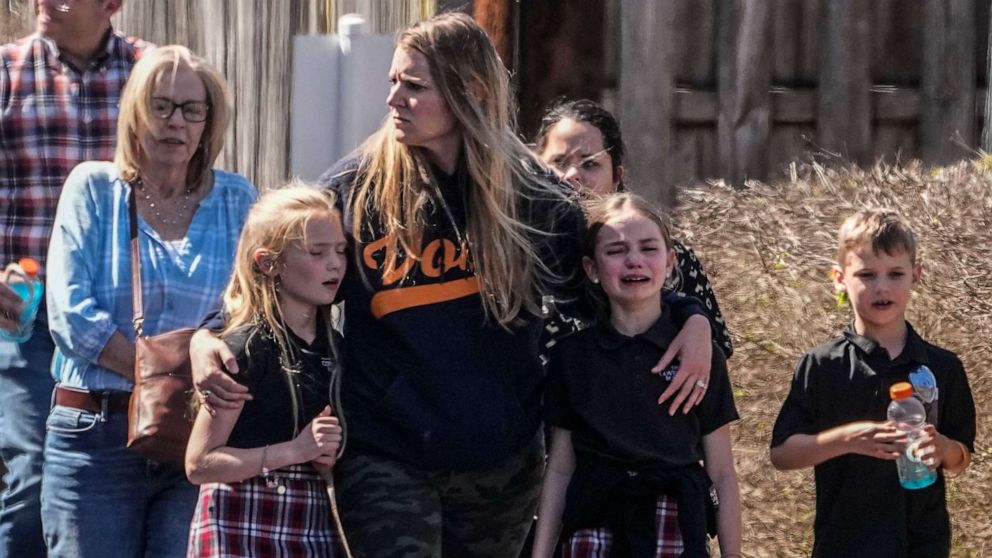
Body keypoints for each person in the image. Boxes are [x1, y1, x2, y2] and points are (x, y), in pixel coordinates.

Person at [191, 13, 713, 557]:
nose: (394, 99)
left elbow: (620, 278)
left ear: (471, 92)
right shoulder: (357, 189)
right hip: (384, 452)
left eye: (414, 86)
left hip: (501, 461)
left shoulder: (536, 201)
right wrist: (206, 337)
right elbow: (273, 275)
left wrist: (690, 316)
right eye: (393, 81)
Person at [42, 45, 256, 558]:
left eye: (191, 109)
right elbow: (70, 315)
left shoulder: (237, 200)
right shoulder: (93, 188)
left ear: (209, 122)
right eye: (160, 106)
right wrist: (165, 381)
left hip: (197, 444)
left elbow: (250, 312)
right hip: (96, 437)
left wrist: (189, 389)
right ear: (136, 113)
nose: (175, 122)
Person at [0, 1, 149, 554]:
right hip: (28, 312)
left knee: (129, 463)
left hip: (125, 311)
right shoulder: (7, 73)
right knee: (34, 465)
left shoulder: (149, 73)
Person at [532, 193, 741, 558]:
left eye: (649, 248)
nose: (634, 261)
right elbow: (560, 469)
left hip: (675, 523)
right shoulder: (572, 355)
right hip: (593, 523)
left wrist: (733, 554)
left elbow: (722, 472)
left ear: (671, 262)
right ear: (591, 268)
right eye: (615, 250)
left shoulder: (702, 356)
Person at [769, 209, 975, 557]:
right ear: (839, 278)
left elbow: (962, 458)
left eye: (896, 273)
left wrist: (942, 448)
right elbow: (782, 454)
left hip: (922, 544)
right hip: (843, 544)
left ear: (916, 275)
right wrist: (849, 438)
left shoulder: (943, 366)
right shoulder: (822, 365)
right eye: (866, 274)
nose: (882, 287)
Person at [185, 186, 348, 557]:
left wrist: (326, 459)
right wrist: (296, 449)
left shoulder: (337, 347)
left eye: (341, 251)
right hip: (239, 517)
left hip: (311, 517)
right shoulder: (244, 347)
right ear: (268, 262)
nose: (335, 264)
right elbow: (199, 463)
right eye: (317, 252)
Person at [534, 98, 733, 362]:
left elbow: (714, 358)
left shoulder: (666, 258)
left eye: (590, 164)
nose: (572, 175)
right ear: (536, 172)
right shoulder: (522, 260)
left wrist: (697, 321)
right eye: (558, 162)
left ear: (616, 176)